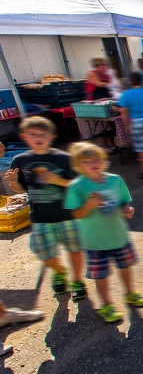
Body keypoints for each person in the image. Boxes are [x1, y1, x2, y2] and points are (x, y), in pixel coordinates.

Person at [64, 143, 143, 323]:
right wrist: (89, 205)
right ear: (79, 166)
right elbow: (75, 214)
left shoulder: (115, 180)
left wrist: (128, 209)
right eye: (87, 161)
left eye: (96, 159)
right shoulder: (77, 186)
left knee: (125, 267)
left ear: (103, 161)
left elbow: (125, 202)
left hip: (119, 235)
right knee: (101, 275)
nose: (93, 164)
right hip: (95, 240)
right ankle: (106, 304)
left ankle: (130, 293)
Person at [5, 118, 85, 301]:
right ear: (24, 137)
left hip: (67, 214)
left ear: (52, 137)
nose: (38, 138)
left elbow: (78, 185)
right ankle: (59, 271)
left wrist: (57, 180)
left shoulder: (63, 159)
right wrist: (14, 182)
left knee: (74, 249)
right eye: (33, 134)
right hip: (40, 216)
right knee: (42, 251)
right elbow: (22, 189)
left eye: (43, 134)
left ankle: (77, 281)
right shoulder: (20, 160)